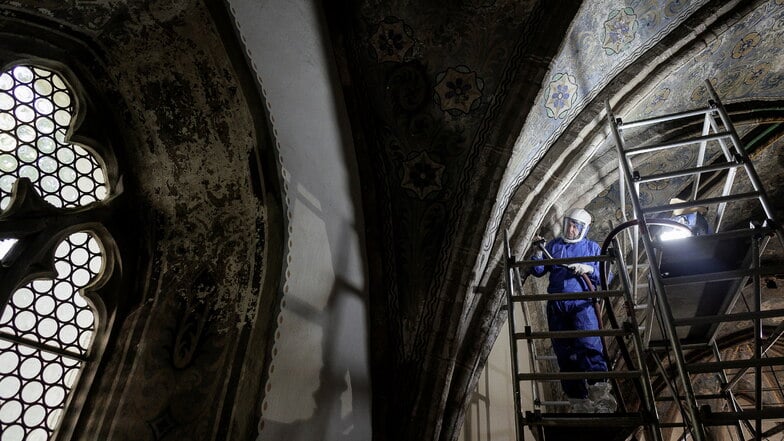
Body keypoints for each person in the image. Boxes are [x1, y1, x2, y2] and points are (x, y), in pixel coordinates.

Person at [530, 208, 617, 413]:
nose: (570, 228)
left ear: (583, 229)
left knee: (588, 344)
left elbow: (607, 277)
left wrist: (590, 269)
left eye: (575, 226)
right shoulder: (554, 246)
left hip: (582, 304)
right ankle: (578, 401)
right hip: (557, 305)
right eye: (569, 223)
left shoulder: (592, 248)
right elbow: (537, 270)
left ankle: (601, 396)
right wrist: (537, 252)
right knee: (565, 352)